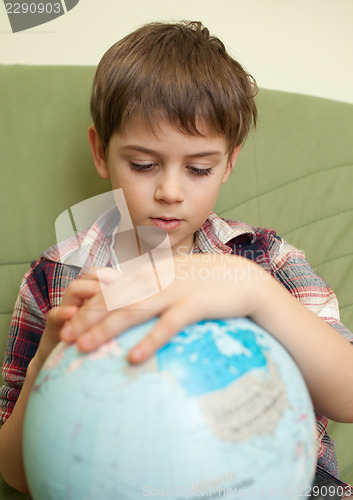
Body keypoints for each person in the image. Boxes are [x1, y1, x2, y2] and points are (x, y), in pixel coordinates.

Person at [0, 20, 352, 498]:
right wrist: (46, 360)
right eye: (143, 165)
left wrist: (250, 288)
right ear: (101, 153)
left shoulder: (265, 259)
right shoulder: (57, 278)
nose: (169, 191)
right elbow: (17, 475)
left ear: (228, 163)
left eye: (198, 168)